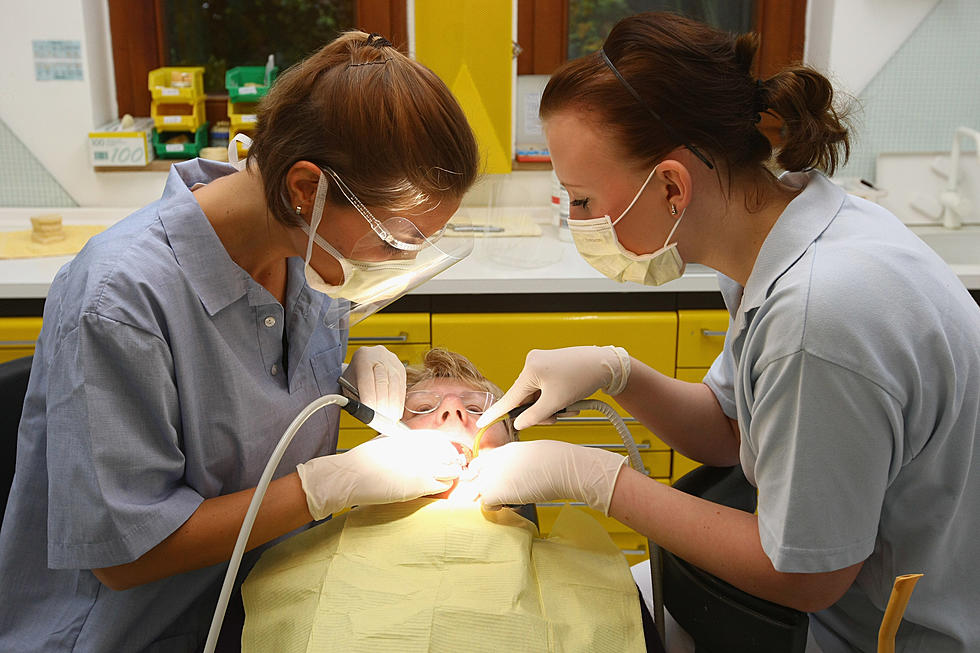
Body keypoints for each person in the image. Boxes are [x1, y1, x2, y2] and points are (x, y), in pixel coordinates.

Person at [469, 12, 980, 653]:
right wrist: (618, 372)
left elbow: (807, 572)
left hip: (873, 632)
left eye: (583, 200)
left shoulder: (818, 315)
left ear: (672, 186)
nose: (580, 223)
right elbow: (730, 432)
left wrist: (597, 480)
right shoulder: (789, 235)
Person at [0, 31, 478, 652]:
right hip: (137, 631)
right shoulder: (119, 300)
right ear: (308, 189)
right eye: (395, 237)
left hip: (269, 599)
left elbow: (253, 404)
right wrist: (328, 486)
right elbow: (124, 559)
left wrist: (364, 387)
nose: (395, 259)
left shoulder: (295, 250)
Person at [240, 347, 664, 653]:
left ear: (513, 438)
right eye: (422, 407)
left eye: (479, 408)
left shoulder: (589, 582)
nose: (452, 412)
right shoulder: (293, 566)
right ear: (384, 437)